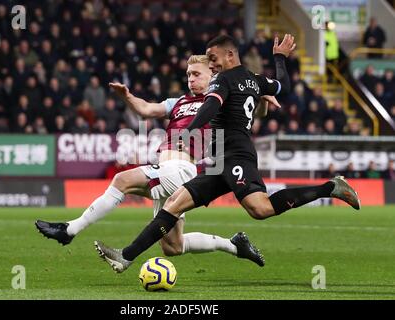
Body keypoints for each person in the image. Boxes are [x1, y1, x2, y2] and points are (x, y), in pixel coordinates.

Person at [94, 34, 361, 273]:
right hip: (219, 159)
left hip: (236, 155)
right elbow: (283, 86)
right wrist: (280, 58)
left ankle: (331, 187)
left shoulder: (223, 79)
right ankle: (125, 257)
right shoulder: (255, 80)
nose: (211, 65)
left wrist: (190, 132)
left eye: (213, 58)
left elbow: (210, 107)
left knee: (260, 208)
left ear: (230, 54)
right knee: (174, 203)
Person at [35, 55, 276, 265]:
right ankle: (234, 245)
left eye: (195, 74)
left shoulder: (221, 100)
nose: (190, 79)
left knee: (122, 179)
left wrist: (262, 97)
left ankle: (70, 229)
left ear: (213, 73)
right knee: (173, 246)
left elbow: (254, 113)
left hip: (183, 169)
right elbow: (147, 110)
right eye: (187, 74)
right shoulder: (179, 102)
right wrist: (128, 97)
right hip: (167, 170)